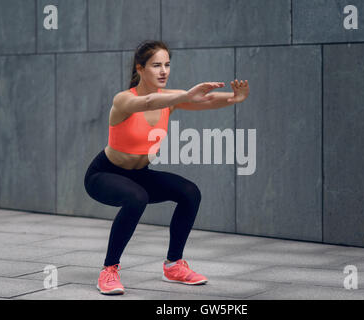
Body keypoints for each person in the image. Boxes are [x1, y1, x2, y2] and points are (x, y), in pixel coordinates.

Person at [84, 40, 249, 295]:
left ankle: (173, 265)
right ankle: (109, 270)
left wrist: (234, 98)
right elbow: (148, 102)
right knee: (136, 198)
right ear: (140, 68)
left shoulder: (171, 99)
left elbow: (206, 100)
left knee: (189, 192)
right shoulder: (123, 100)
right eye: (156, 65)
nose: (163, 71)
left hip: (139, 175)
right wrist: (184, 95)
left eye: (167, 65)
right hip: (104, 174)